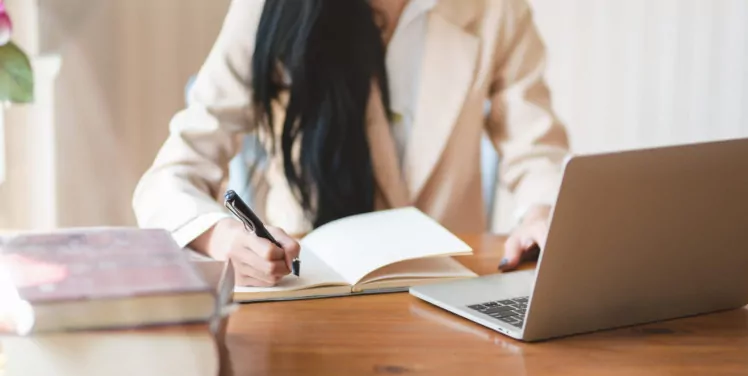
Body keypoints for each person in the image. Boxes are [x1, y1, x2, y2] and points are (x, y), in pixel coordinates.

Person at [133, 0, 570, 287]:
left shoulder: (495, 9)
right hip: (309, 291)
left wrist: (541, 212)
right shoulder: (267, 10)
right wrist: (222, 238)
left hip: (448, 291)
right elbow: (170, 177)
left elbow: (535, 151)